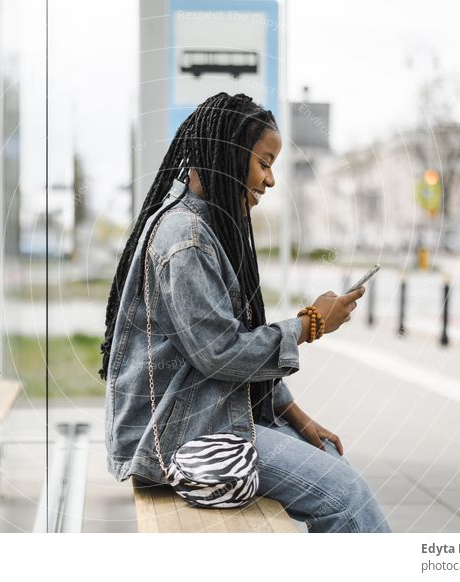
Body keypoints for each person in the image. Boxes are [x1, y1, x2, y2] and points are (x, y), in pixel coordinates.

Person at [100, 92, 390, 532]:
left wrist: (299, 419)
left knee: (330, 461)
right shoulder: (187, 238)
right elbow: (223, 354)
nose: (271, 180)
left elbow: (226, 357)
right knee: (345, 499)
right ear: (229, 155)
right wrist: (310, 324)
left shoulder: (204, 226)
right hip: (180, 438)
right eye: (264, 162)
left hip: (203, 417)